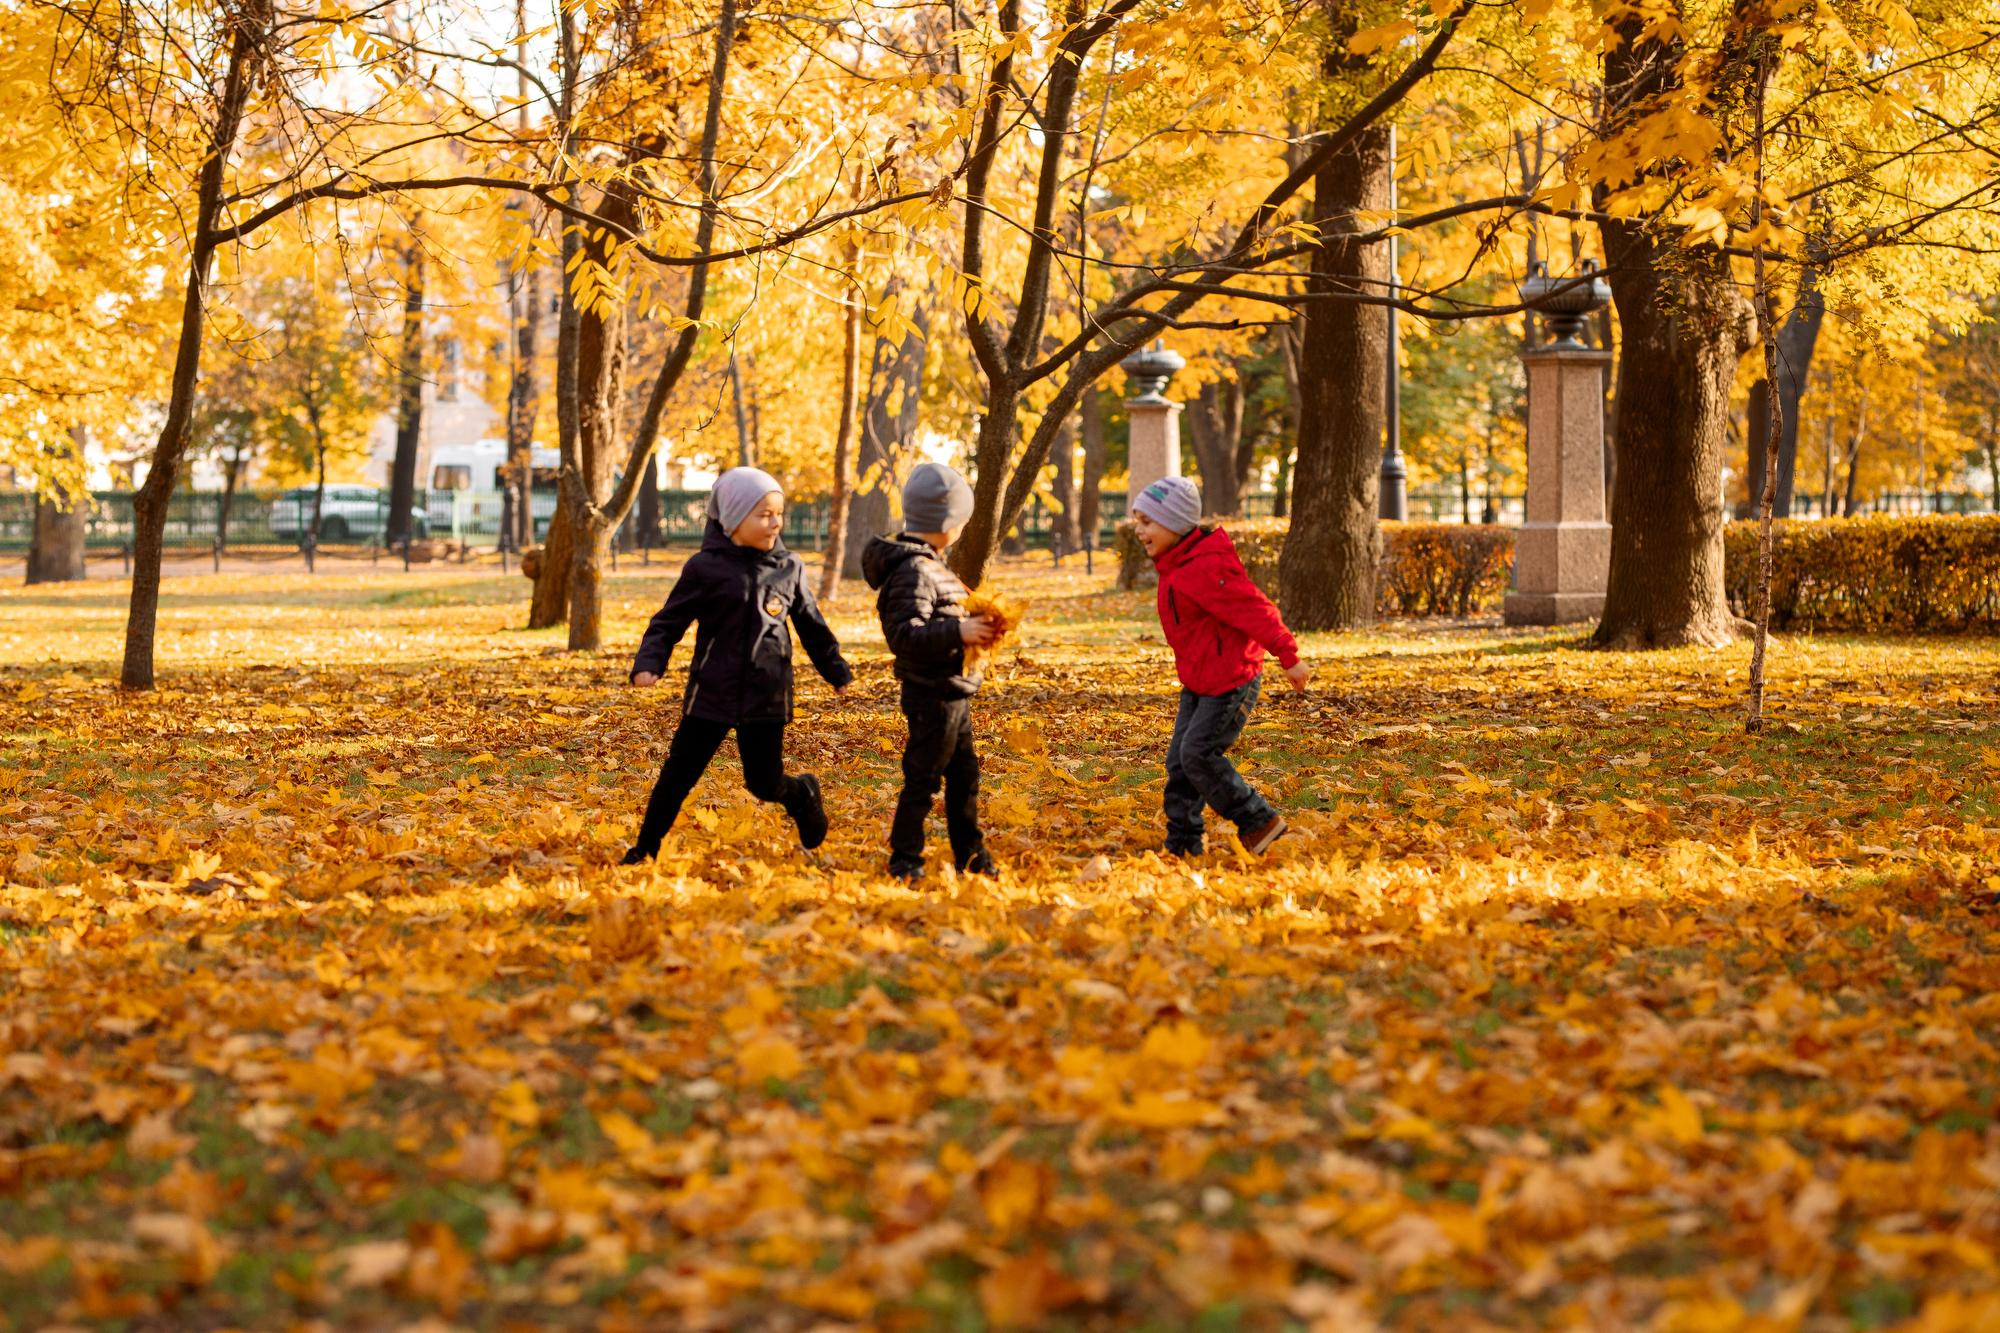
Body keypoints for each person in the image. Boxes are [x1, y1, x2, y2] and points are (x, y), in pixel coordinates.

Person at [623, 467, 851, 863]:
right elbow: (667, 623)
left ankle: (802, 793)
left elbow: (812, 625)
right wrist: (650, 663)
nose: (775, 523)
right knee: (677, 776)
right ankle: (645, 849)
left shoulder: (789, 567)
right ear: (733, 519)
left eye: (779, 513)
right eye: (764, 514)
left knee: (763, 783)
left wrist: (836, 670)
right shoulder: (704, 568)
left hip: (766, 695)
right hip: (712, 693)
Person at [1129, 475, 1310, 857]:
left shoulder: (1206, 567)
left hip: (1231, 681)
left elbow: (1255, 609)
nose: (1138, 530)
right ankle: (1183, 844)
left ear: (1175, 523)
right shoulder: (1176, 564)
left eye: (1147, 521)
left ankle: (1258, 820)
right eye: (1136, 521)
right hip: (1199, 682)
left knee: (1197, 754)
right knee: (1180, 762)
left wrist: (1288, 656)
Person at [860, 462, 999, 881]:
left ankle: (970, 855)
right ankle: (905, 859)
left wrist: (976, 625)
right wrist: (959, 630)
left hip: (952, 691)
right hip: (931, 694)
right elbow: (904, 634)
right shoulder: (915, 571)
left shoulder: (931, 566)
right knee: (923, 778)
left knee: (964, 778)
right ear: (948, 521)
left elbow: (940, 620)